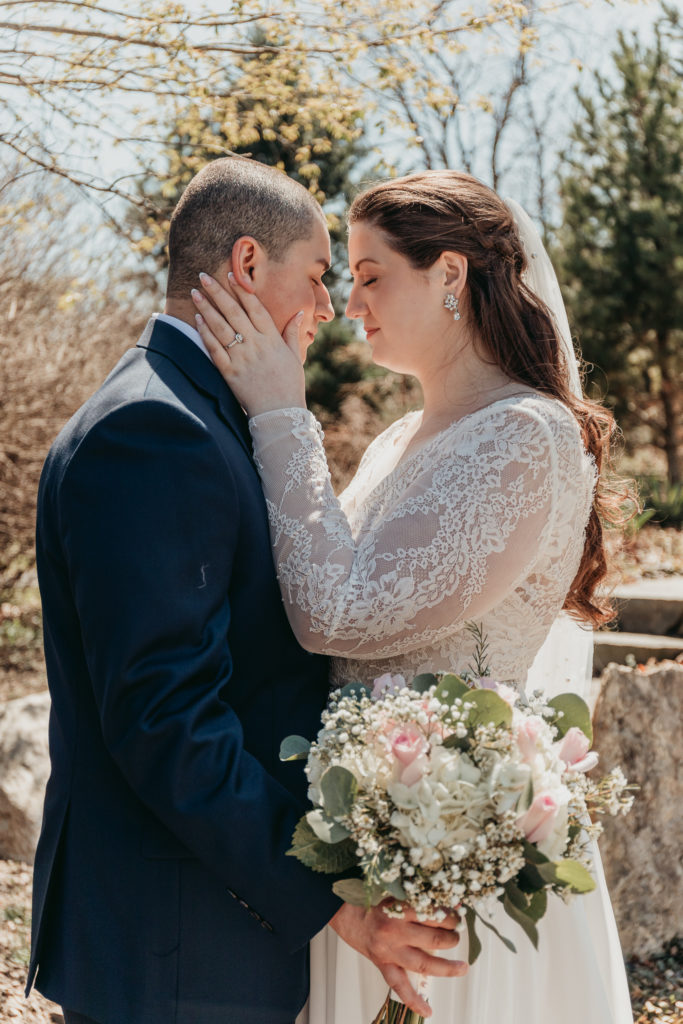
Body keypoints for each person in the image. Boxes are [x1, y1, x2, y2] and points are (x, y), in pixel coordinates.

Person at [26, 157, 467, 1024]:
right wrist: (332, 901)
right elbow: (166, 718)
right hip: (177, 944)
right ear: (246, 266)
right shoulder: (155, 430)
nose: (331, 309)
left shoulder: (194, 412)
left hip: (201, 929)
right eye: (317, 276)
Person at [191, 169, 634, 1023]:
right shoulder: (400, 439)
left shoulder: (525, 435)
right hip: (362, 849)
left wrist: (281, 412)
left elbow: (337, 616)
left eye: (367, 274)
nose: (348, 304)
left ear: (450, 275)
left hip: (461, 858)